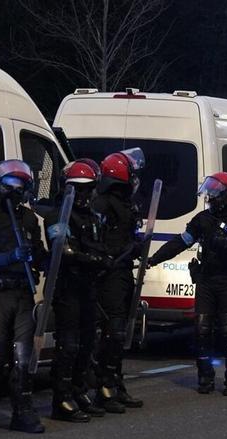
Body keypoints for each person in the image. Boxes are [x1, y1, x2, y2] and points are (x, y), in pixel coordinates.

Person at [147, 172, 227, 395]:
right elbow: (181, 242)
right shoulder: (203, 219)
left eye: (215, 192)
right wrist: (154, 258)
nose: (210, 197)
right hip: (206, 280)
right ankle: (205, 377)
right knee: (201, 329)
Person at [0, 160, 47, 435]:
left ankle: (22, 410)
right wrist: (9, 257)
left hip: (23, 291)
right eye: (12, 184)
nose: (17, 190)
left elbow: (38, 252)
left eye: (21, 185)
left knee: (23, 354)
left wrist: (48, 257)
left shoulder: (28, 218)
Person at [45, 159, 110, 422]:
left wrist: (103, 258)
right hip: (67, 287)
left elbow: (100, 245)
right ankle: (61, 398)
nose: (83, 194)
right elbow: (64, 250)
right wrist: (92, 258)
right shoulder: (57, 215)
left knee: (87, 342)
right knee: (68, 344)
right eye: (78, 188)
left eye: (88, 188)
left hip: (88, 286)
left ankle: (78, 390)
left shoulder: (93, 217)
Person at [91, 149, 146, 412]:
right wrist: (116, 253)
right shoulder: (101, 203)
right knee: (112, 332)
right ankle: (104, 387)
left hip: (123, 272)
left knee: (121, 331)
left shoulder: (126, 204)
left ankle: (116, 383)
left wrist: (135, 246)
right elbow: (96, 240)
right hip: (108, 274)